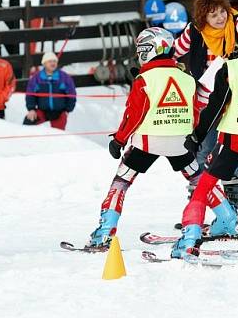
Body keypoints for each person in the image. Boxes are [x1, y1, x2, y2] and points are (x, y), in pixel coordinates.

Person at [85, 27, 200, 248]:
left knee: (121, 182)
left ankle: (104, 232)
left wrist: (119, 140)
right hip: (180, 143)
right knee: (199, 182)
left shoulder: (144, 78)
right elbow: (195, 113)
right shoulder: (186, 77)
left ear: (149, 50)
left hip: (147, 142)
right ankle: (227, 219)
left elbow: (134, 115)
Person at [172, 12, 238, 259]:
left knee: (203, 187)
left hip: (234, 140)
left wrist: (196, 136)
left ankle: (189, 239)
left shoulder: (231, 66)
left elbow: (215, 108)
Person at [173, 0, 238, 209]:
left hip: (236, 99)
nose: (221, 18)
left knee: (230, 153)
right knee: (203, 151)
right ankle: (198, 205)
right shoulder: (195, 31)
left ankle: (232, 203)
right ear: (204, 18)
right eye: (213, 15)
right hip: (208, 102)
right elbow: (173, 52)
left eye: (223, 11)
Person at [24, 52, 76, 130]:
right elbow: (30, 94)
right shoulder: (37, 78)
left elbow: (71, 94)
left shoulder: (64, 77)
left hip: (59, 111)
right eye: (50, 61)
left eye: (54, 61)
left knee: (58, 134)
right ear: (44, 64)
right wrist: (31, 109)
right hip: (42, 110)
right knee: (28, 123)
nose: (52, 63)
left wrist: (67, 110)